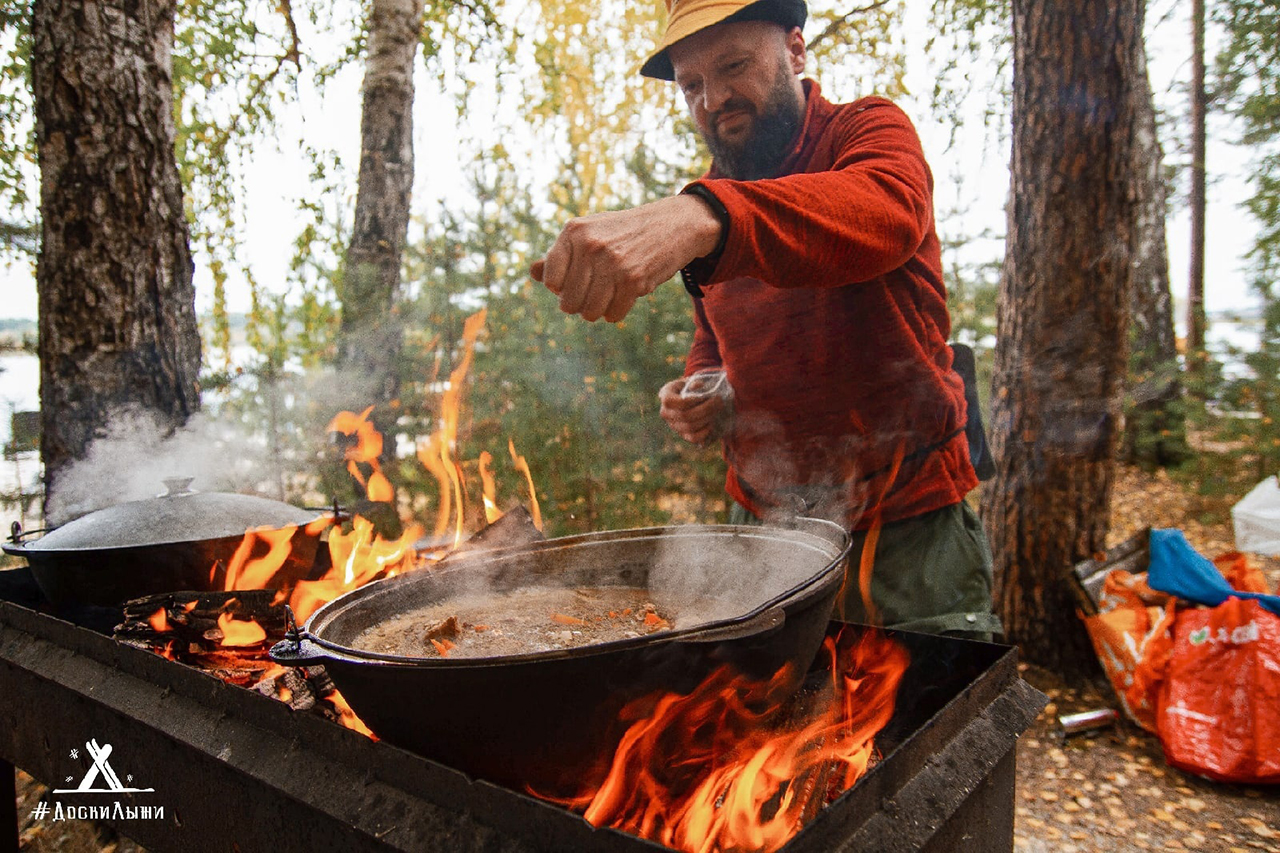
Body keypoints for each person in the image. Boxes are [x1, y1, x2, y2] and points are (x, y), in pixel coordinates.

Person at [531, 0, 1000, 639]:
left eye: (733, 66)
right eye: (692, 84)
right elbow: (713, 334)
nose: (714, 97)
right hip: (762, 525)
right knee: (763, 728)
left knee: (934, 719)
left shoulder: (865, 131)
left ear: (795, 51)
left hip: (906, 520)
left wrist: (705, 216)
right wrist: (705, 385)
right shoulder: (709, 207)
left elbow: (886, 214)